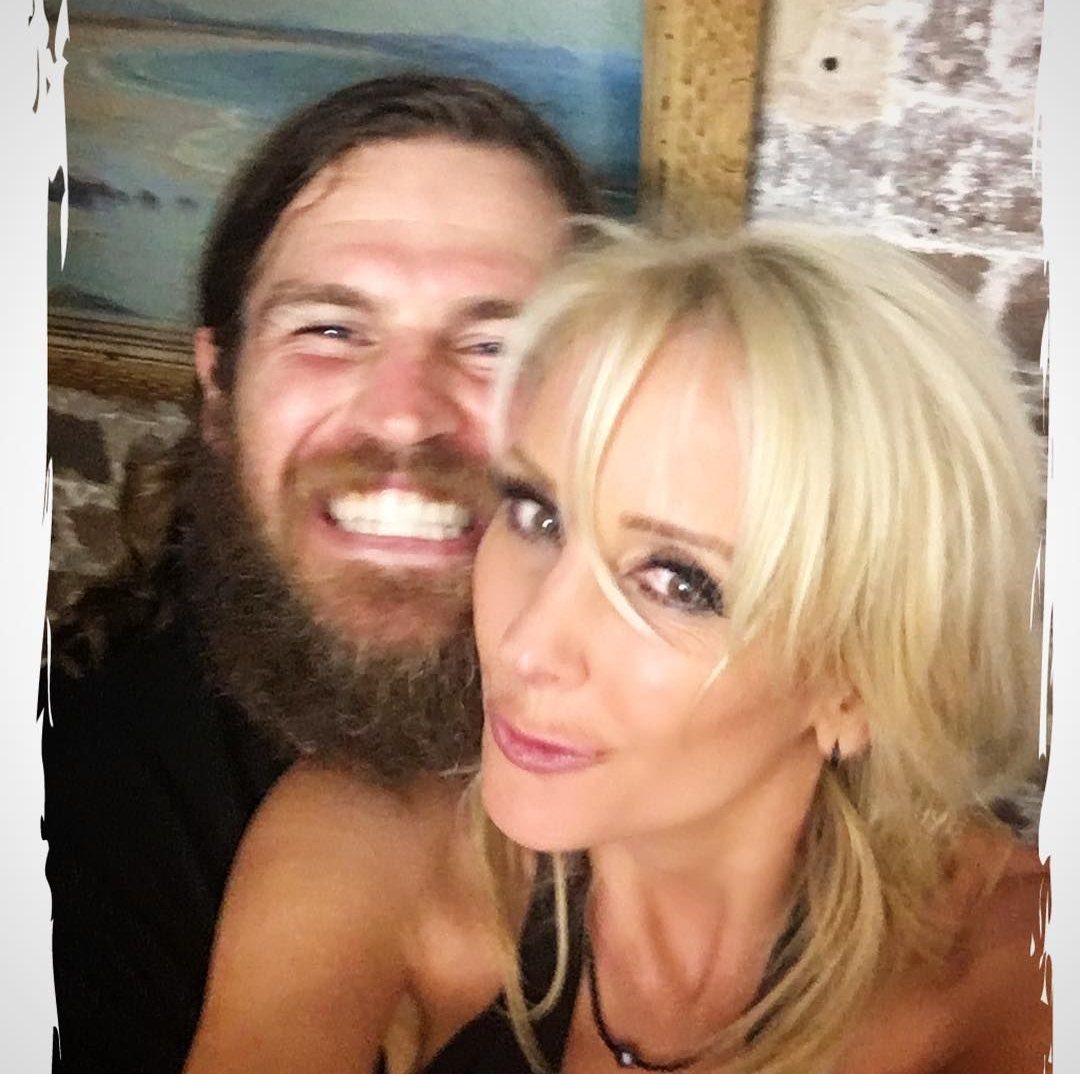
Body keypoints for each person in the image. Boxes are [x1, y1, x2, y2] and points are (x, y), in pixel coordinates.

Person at [184, 222, 1050, 1074]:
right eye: (538, 514)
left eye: (678, 582)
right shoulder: (371, 846)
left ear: (854, 686)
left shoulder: (1027, 973)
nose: (527, 645)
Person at [43, 74, 601, 1074]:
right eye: (331, 331)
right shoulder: (66, 821)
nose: (404, 416)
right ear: (220, 389)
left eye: (497, 346)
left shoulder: (698, 725)